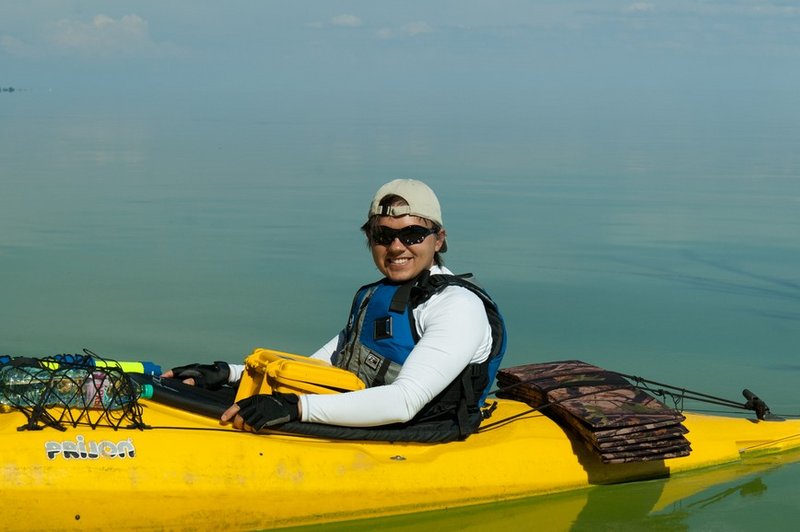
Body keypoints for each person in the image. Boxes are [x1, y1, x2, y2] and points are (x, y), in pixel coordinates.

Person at [164, 179, 505, 440]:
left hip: (422, 436)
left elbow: (404, 401)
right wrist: (229, 374)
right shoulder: (379, 296)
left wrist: (297, 407)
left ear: (439, 239)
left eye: (413, 234)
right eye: (382, 235)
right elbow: (320, 367)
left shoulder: (457, 307)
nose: (396, 246)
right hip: (365, 421)